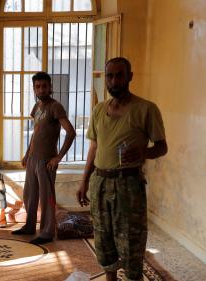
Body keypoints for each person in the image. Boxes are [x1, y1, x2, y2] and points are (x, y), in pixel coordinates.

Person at [76, 57, 167, 281]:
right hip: (100, 182)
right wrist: (84, 181)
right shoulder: (98, 110)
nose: (114, 81)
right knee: (103, 238)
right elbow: (94, 147)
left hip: (128, 185)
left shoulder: (146, 109)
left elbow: (161, 147)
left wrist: (143, 153)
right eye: (110, 76)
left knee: (130, 242)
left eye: (119, 75)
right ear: (105, 79)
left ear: (129, 77)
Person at [12, 72, 76, 245]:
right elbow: (36, 133)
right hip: (33, 159)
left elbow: (71, 132)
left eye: (44, 86)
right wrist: (27, 153)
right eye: (38, 86)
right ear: (34, 89)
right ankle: (29, 226)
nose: (41, 89)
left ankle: (47, 232)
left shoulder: (56, 107)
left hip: (46, 161)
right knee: (29, 195)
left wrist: (58, 157)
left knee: (46, 197)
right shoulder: (37, 107)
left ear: (50, 87)